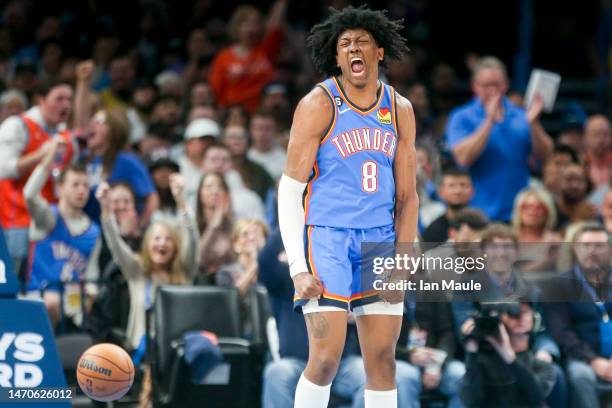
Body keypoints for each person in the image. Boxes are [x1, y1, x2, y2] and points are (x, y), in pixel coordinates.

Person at [278, 7, 418, 408]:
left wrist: (402, 261)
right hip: (328, 238)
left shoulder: (400, 109)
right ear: (336, 58)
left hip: (379, 241)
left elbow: (408, 197)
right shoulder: (318, 104)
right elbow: (289, 190)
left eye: (361, 42)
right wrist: (298, 268)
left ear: (378, 52)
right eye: (344, 44)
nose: (353, 48)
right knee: (325, 358)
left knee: (382, 360)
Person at [259, 228, 421, 408]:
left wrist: (357, 312)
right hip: (295, 360)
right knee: (276, 372)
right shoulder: (287, 274)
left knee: (372, 374)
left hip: (344, 362)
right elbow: (264, 261)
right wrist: (298, 213)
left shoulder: (349, 269)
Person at [445, 56, 553, 222]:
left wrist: (534, 124)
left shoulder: (522, 115)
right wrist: (488, 121)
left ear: (506, 85)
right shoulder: (461, 117)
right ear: (475, 86)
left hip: (518, 215)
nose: (493, 90)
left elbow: (546, 157)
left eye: (497, 84)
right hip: (478, 213)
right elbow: (463, 159)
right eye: (486, 85)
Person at [97, 173, 197, 351]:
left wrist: (181, 201)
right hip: (141, 353)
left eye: (168, 239)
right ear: (147, 244)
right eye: (157, 238)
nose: (162, 244)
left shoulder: (185, 270)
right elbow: (116, 245)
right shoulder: (137, 271)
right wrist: (106, 210)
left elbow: (192, 239)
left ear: (175, 246)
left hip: (177, 350)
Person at [0, 81, 76, 278]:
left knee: (42, 287)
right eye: (59, 98)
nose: (65, 105)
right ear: (41, 100)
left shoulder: (65, 136)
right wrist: (42, 154)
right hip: (17, 223)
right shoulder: (18, 125)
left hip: (52, 225)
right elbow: (3, 169)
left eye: (69, 99)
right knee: (13, 289)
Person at [23, 139, 101, 328]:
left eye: (85, 185)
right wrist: (49, 158)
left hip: (73, 302)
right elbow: (29, 194)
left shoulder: (93, 231)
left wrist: (91, 293)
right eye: (75, 185)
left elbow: (92, 275)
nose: (81, 190)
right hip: (38, 297)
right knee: (52, 301)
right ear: (60, 188)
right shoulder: (49, 218)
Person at [543, 223, 612, 408]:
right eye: (586, 245)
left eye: (599, 246)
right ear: (575, 248)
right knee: (581, 375)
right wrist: (594, 360)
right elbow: (561, 332)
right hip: (581, 357)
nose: (592, 251)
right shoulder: (558, 285)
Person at [460, 301, 557, 408]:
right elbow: (470, 401)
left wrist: (510, 359)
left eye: (524, 312)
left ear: (535, 318)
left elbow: (536, 396)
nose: (518, 317)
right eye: (511, 313)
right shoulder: (484, 362)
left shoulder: (542, 365)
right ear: (499, 319)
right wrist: (471, 353)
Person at [83, 108, 158, 226]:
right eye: (92, 120)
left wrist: (140, 228)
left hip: (118, 232)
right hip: (88, 232)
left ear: (114, 129)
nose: (92, 125)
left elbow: (151, 198)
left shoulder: (127, 161)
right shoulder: (84, 159)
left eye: (99, 122)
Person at [208, 0, 287, 112]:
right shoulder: (224, 57)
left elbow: (276, 24)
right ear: (237, 27)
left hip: (262, 114)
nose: (251, 28)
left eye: (256, 24)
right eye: (246, 24)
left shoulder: (267, 50)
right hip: (233, 114)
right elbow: (215, 90)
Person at [195, 171, 235, 283]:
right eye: (209, 186)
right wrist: (214, 225)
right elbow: (198, 259)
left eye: (220, 187)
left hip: (229, 285)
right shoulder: (191, 225)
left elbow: (234, 260)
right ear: (200, 194)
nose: (215, 191)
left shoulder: (234, 226)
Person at [510, 187, 561, 273]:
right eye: (526, 206)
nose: (532, 211)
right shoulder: (508, 237)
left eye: (539, 207)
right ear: (518, 210)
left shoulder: (555, 241)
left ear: (548, 212)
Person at [421, 168, 474, 244]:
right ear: (440, 192)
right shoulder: (432, 231)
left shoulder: (483, 226)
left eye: (463, 185)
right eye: (451, 186)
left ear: (472, 191)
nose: (458, 191)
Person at [224, 124, 275, 201]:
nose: (236, 142)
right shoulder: (216, 169)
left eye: (240, 138)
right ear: (223, 141)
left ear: (248, 142)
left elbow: (272, 193)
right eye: (232, 137)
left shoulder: (259, 171)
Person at [177, 118, 221, 207]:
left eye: (211, 140)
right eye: (203, 140)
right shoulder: (176, 168)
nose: (208, 144)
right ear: (188, 143)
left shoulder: (221, 167)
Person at [555, 163, 599, 230]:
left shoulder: (591, 211)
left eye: (580, 180)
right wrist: (577, 220)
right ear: (559, 182)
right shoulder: (550, 209)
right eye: (569, 180)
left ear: (586, 185)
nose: (574, 185)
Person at [247, 111, 287, 179]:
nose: (263, 133)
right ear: (251, 130)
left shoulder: (285, 155)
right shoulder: (245, 157)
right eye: (259, 128)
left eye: (268, 129)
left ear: (275, 131)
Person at [582, 114, 611, 189]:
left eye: (605, 135)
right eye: (596, 135)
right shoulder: (580, 163)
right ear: (585, 138)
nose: (601, 140)